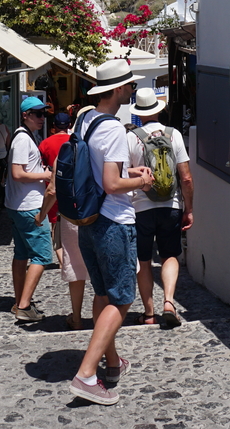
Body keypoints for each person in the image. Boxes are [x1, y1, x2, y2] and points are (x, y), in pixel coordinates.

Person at [68, 59, 155, 406]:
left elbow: (95, 166)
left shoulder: (85, 120)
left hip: (87, 222)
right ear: (118, 90)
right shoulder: (116, 129)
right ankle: (86, 374)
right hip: (114, 223)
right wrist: (142, 180)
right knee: (121, 300)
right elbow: (112, 183)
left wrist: (126, 168)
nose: (132, 91)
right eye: (130, 86)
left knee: (103, 295)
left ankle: (113, 362)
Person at [127, 88, 193, 328]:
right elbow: (185, 177)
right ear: (159, 108)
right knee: (169, 256)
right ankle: (169, 302)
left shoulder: (131, 137)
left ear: (139, 114)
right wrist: (189, 208)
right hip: (171, 206)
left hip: (140, 208)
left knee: (143, 260)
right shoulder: (173, 135)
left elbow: (124, 172)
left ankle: (149, 313)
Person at [36, 112, 87, 331]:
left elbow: (52, 187)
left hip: (71, 213)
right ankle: (106, 317)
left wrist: (40, 216)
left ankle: (76, 317)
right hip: (102, 216)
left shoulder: (67, 149)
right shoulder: (103, 148)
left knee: (76, 268)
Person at [6, 96, 53, 322]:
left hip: (18, 205)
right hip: (29, 206)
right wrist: (44, 174)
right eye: (37, 114)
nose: (42, 118)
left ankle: (19, 301)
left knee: (22, 254)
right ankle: (24, 305)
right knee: (42, 255)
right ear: (26, 115)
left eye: (44, 114)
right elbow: (18, 173)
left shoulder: (25, 136)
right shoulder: (23, 139)